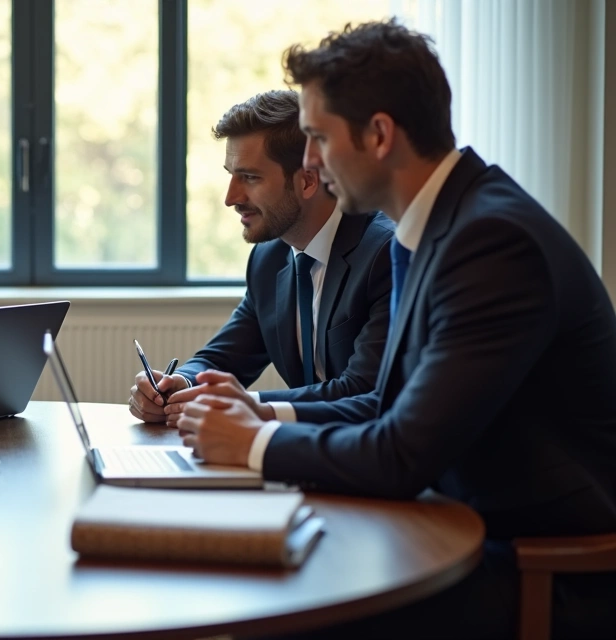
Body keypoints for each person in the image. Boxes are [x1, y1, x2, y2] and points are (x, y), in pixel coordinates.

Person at [181, 20, 616, 638]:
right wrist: (259, 415)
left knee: (270, 610)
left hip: (540, 566)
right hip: (459, 526)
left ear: (380, 135)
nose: (310, 162)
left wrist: (253, 443)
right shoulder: (440, 225)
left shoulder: (491, 243)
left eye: (318, 138)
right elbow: (390, 403)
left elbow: (402, 453)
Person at [130, 90, 393, 427]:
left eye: (250, 178)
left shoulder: (384, 253)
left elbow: (365, 390)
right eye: (231, 175)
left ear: (308, 181)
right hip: (305, 448)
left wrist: (244, 405)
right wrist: (180, 386)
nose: (231, 198)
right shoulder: (269, 258)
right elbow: (223, 358)